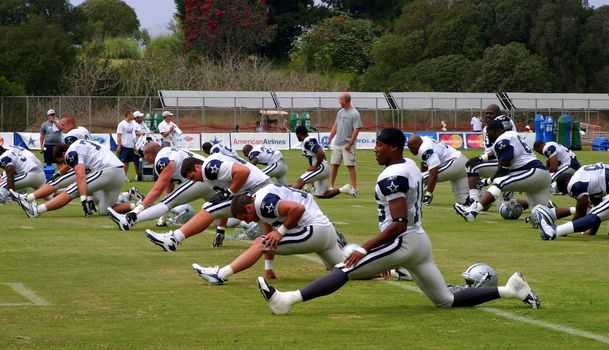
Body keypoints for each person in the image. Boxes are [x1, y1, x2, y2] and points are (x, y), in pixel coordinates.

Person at [255, 128, 540, 315]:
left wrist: (364, 248)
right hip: (419, 241)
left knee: (344, 267)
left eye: (379, 145)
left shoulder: (393, 176)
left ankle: (287, 300)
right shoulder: (408, 166)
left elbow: (399, 222)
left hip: (402, 240)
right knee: (446, 301)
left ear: (392, 148)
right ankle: (509, 290)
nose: (375, 149)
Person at [191, 185, 345, 285]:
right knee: (348, 271)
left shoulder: (262, 203)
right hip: (326, 232)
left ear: (249, 208)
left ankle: (220, 275)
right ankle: (367, 263)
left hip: (314, 230)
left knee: (259, 242)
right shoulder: (260, 203)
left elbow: (297, 209)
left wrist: (281, 232)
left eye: (245, 218)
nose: (248, 221)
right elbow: (268, 233)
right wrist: (268, 267)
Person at [145, 152, 273, 252]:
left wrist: (229, 192)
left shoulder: (208, 168)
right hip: (259, 189)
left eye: (193, 177)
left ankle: (173, 239)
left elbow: (243, 171)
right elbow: (224, 199)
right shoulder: (209, 171)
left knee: (209, 208)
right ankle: (269, 267)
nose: (194, 181)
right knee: (270, 238)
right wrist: (221, 229)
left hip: (258, 189)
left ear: (197, 166)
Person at [106, 143, 218, 232]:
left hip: (200, 178)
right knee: (219, 218)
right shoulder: (167, 153)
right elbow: (168, 186)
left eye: (145, 155)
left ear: (150, 154)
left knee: (167, 203)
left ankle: (128, 220)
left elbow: (157, 190)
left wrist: (137, 210)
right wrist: (163, 216)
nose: (144, 158)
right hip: (212, 181)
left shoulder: (162, 161)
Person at [454, 120, 551, 222]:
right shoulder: (512, 135)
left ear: (496, 131)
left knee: (499, 182)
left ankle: (472, 212)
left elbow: (503, 170)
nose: (487, 136)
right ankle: (557, 217)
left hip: (532, 172)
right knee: (541, 216)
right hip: (542, 175)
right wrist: (480, 159)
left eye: (488, 133)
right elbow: (497, 152)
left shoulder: (502, 140)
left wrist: (486, 181)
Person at [14, 140, 127, 218]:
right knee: (104, 210)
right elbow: (75, 164)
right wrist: (58, 173)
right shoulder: (79, 145)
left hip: (107, 171)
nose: (65, 163)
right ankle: (135, 207)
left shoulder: (71, 152)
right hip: (119, 173)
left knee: (72, 190)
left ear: (64, 153)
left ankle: (37, 210)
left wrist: (83, 198)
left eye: (63, 160)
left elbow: (80, 174)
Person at [11, 115, 92, 205]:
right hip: (93, 165)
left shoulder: (70, 135)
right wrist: (59, 173)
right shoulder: (83, 129)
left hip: (84, 166)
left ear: (70, 124)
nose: (60, 127)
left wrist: (58, 174)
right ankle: (90, 199)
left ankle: (26, 198)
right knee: (100, 205)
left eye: (63, 125)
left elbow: (73, 157)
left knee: (57, 183)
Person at [537, 163, 609, 240]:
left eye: (565, 191)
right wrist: (591, 232)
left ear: (566, 183)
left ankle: (553, 231)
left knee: (596, 214)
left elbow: (582, 211)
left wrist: (565, 230)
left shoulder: (573, 184)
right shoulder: (582, 173)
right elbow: (599, 208)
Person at [464, 104, 517, 204]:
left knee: (472, 166)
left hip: (508, 161)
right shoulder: (486, 129)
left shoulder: (503, 120)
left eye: (491, 113)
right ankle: (477, 197)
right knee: (505, 206)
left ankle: (474, 200)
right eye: (486, 113)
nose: (488, 115)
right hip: (498, 161)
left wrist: (480, 158)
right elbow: (490, 152)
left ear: (498, 114)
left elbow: (503, 146)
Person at [292, 125, 353, 199]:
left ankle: (284, 196)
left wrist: (315, 166)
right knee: (322, 195)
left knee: (301, 181)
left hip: (321, 168)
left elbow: (320, 153)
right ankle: (344, 189)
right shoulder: (309, 140)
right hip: (324, 168)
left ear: (298, 134)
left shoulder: (308, 140)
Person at [407, 135, 468, 205]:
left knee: (418, 179)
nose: (410, 150)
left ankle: (412, 198)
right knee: (464, 200)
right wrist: (424, 175)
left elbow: (433, 174)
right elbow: (424, 162)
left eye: (412, 148)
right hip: (462, 162)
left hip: (454, 162)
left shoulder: (425, 149)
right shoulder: (423, 140)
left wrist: (428, 194)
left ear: (418, 144)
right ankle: (480, 203)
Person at [326, 92, 361, 197]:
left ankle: (354, 188)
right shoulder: (340, 112)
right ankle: (331, 187)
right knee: (334, 165)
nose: (339, 101)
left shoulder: (355, 113)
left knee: (350, 166)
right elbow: (335, 126)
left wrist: (350, 144)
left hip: (347, 145)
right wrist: (330, 138)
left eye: (340, 100)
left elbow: (357, 129)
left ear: (345, 101)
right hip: (337, 144)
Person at [116, 111, 137, 178]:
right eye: (132, 114)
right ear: (128, 115)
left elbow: (133, 135)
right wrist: (119, 145)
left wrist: (134, 145)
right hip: (124, 146)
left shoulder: (132, 124)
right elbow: (119, 135)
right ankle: (123, 176)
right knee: (124, 162)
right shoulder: (122, 124)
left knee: (128, 162)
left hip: (131, 146)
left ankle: (125, 176)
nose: (133, 116)